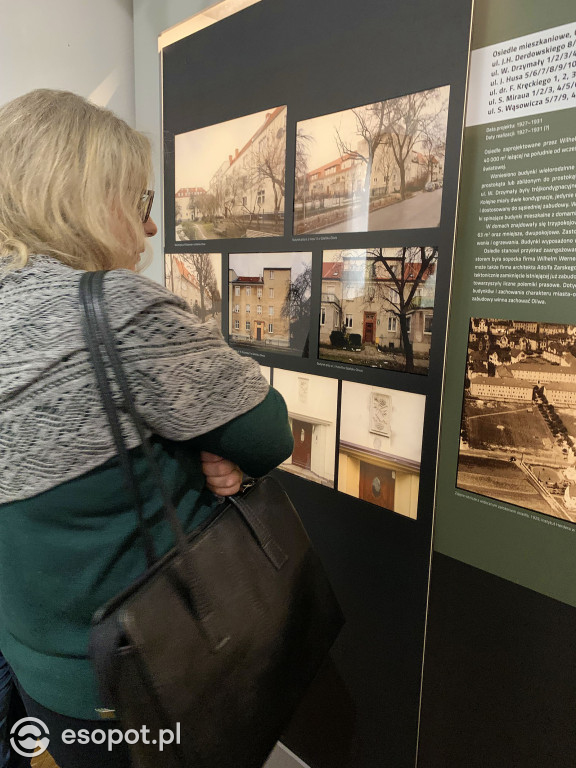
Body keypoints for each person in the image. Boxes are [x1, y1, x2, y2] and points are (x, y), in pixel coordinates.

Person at [0, 89, 294, 768]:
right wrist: (207, 451)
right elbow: (268, 432)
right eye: (138, 201)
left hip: (35, 656)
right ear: (80, 197)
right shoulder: (117, 308)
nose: (151, 226)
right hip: (143, 663)